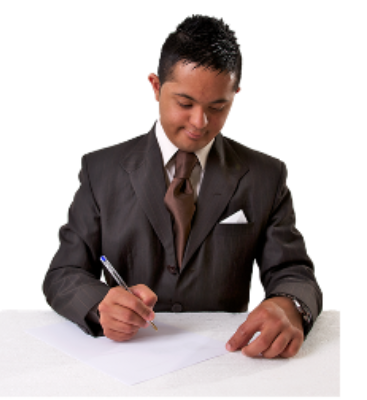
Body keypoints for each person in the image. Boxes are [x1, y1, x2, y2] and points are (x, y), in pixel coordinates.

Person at [42, 13, 323, 359]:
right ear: (155, 86)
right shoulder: (102, 170)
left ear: (235, 94)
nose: (199, 123)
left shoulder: (266, 175)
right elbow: (63, 272)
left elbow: (293, 272)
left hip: (226, 359)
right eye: (185, 104)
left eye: (218, 107)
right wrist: (99, 304)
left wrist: (290, 305)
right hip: (129, 358)